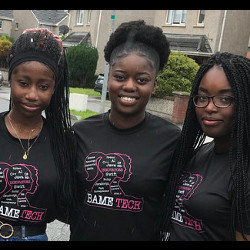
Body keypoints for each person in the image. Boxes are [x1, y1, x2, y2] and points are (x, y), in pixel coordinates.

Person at [70, 20, 181, 241]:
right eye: (120, 77)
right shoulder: (80, 133)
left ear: (154, 85)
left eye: (141, 80)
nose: (129, 86)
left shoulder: (172, 140)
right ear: (108, 78)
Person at [160, 52, 250, 241]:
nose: (209, 107)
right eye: (202, 97)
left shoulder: (244, 172)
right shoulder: (198, 153)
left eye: (225, 99)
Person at [0, 28, 76, 241]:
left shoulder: (63, 141)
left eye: (43, 86)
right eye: (23, 83)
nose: (32, 94)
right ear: (11, 79)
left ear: (54, 89)